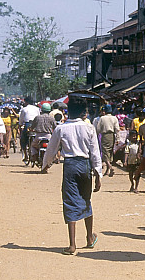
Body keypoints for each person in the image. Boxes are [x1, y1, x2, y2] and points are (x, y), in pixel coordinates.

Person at [42, 97, 102, 254]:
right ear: (83, 112)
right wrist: (98, 174)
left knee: (70, 201)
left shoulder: (61, 128)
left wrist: (45, 164)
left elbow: (51, 149)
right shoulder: (89, 128)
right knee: (86, 200)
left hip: (70, 166)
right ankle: (89, 237)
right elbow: (95, 152)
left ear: (68, 111)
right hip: (85, 165)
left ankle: (72, 245)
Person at [95, 104, 119, 177]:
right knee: (110, 152)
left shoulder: (102, 118)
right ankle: (108, 170)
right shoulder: (114, 118)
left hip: (105, 136)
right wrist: (117, 138)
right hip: (112, 136)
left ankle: (110, 167)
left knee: (105, 152)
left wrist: (96, 135)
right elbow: (117, 129)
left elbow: (98, 128)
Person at [18, 96, 40, 161]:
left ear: (26, 102)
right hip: (36, 125)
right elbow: (38, 117)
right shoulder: (37, 108)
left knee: (23, 140)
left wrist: (20, 125)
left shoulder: (24, 109)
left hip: (27, 125)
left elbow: (21, 120)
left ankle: (25, 155)